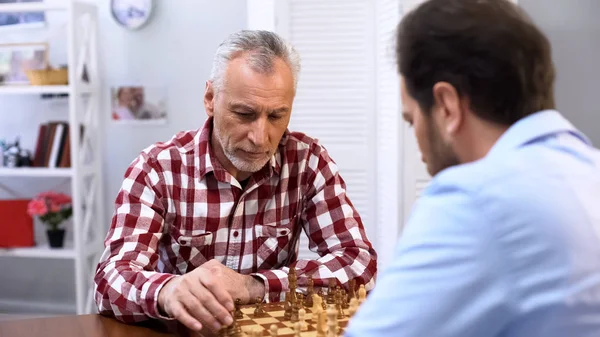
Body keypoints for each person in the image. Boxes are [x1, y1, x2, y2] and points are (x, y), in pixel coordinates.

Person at [94, 30, 377, 332]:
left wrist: (254, 286)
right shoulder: (157, 169)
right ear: (210, 99)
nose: (260, 137)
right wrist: (167, 291)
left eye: (277, 116)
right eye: (244, 114)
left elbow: (358, 263)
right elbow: (110, 282)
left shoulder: (307, 161)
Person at [346, 0, 600, 336]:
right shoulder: (589, 168)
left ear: (447, 106)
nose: (418, 139)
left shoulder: (476, 199)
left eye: (412, 120)